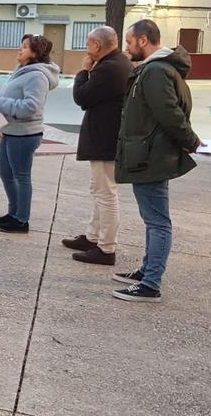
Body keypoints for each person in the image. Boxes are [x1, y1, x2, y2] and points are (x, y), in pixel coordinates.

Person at [111, 20, 200, 303]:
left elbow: (171, 115)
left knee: (158, 222)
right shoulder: (154, 70)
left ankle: (151, 284)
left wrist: (193, 142)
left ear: (144, 40)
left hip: (151, 156)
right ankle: (147, 271)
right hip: (148, 155)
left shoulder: (156, 72)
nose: (127, 47)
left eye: (129, 42)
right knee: (153, 220)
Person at [61, 26, 133, 266]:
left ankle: (106, 248)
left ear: (97, 46)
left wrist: (83, 71)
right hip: (106, 138)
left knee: (106, 193)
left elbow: (82, 97)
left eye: (88, 44)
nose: (86, 48)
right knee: (99, 189)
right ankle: (93, 237)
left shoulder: (109, 68)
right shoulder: (118, 62)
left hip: (105, 139)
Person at [0, 34, 59, 233]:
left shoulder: (37, 75)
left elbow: (31, 106)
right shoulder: (23, 70)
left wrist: (1, 103)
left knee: (21, 175)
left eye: (24, 47)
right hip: (11, 130)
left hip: (24, 134)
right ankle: (13, 213)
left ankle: (22, 220)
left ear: (35, 53)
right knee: (5, 172)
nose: (19, 50)